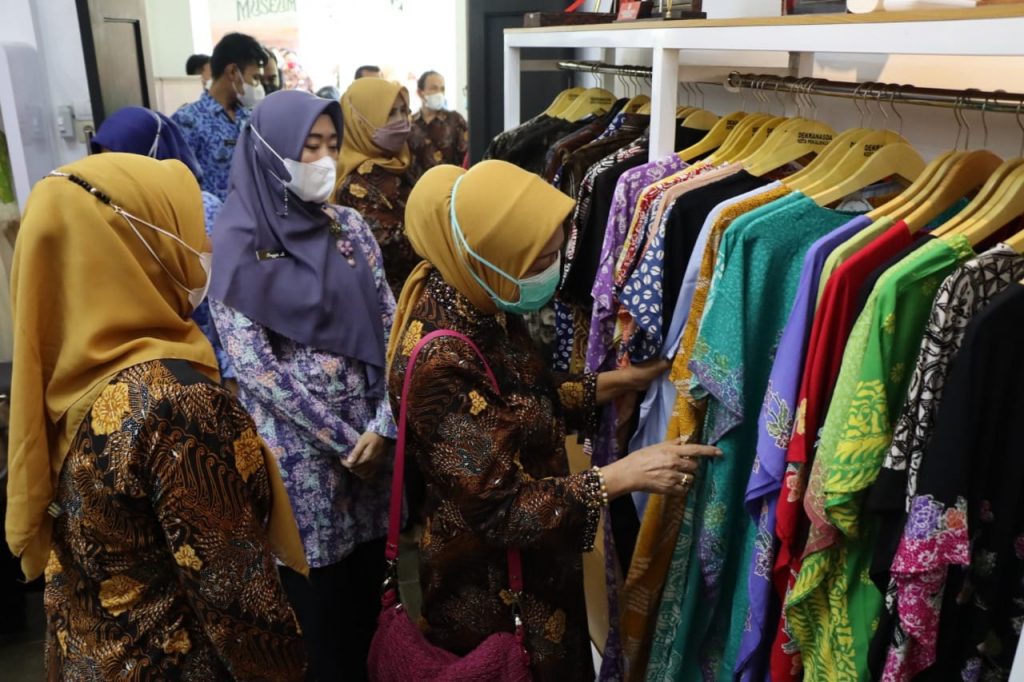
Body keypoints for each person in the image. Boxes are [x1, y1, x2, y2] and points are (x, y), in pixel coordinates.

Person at [386, 161, 721, 682]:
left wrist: (615, 383)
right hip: (491, 600)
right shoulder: (442, 361)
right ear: (488, 256)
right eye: (540, 259)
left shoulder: (478, 297)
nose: (553, 270)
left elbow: (518, 398)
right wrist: (621, 475)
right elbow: (502, 510)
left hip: (531, 580)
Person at [6, 152, 309, 680]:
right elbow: (237, 603)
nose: (205, 246)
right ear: (137, 247)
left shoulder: (60, 383)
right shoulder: (178, 405)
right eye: (187, 226)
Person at [208, 90, 397, 682]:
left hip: (375, 454)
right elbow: (255, 368)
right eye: (308, 146)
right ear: (269, 151)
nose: (323, 159)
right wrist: (347, 440)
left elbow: (393, 328)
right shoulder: (235, 250)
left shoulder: (352, 228)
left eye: (331, 145)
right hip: (303, 469)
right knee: (319, 624)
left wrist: (385, 425)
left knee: (374, 606)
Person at [90, 106, 235, 383]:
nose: (111, 171)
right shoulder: (105, 211)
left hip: (200, 351)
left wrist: (228, 369)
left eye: (122, 159)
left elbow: (225, 296)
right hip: (135, 362)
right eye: (104, 159)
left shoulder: (199, 208)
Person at [333, 77, 417, 298]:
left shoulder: (402, 162)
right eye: (391, 113)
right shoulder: (355, 185)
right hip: (386, 300)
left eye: (404, 111)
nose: (402, 121)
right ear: (360, 121)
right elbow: (389, 247)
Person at [173, 32, 265, 201]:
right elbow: (178, 186)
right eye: (255, 78)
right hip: (211, 223)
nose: (259, 86)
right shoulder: (188, 121)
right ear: (232, 72)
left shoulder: (252, 117)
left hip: (253, 221)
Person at [408, 70, 468, 179]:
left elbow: (465, 156)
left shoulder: (455, 120)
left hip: (448, 187)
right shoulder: (410, 124)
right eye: (434, 88)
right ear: (420, 92)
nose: (439, 93)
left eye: (442, 89)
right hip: (417, 190)